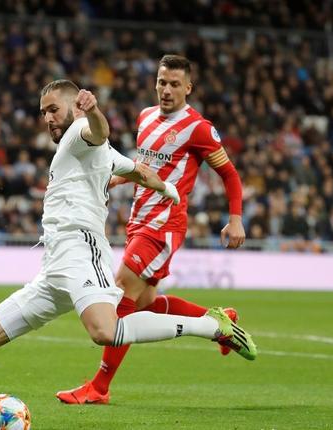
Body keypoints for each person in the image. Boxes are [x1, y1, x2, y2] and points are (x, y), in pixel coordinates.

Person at [0, 80, 256, 430]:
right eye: (43, 112)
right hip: (54, 265)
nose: (48, 118)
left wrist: (94, 112)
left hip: (82, 251)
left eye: (53, 109)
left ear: (73, 107)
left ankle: (211, 326)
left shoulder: (78, 133)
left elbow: (97, 132)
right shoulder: (102, 154)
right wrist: (167, 190)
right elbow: (140, 171)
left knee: (105, 331)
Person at [56, 54, 248, 405]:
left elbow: (230, 174)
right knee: (146, 304)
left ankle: (99, 387)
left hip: (164, 224)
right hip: (138, 220)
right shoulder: (145, 116)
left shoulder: (198, 128)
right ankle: (217, 322)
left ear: (188, 88)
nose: (167, 90)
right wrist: (119, 177)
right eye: (162, 82)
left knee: (121, 294)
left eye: (175, 84)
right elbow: (145, 164)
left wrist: (235, 218)